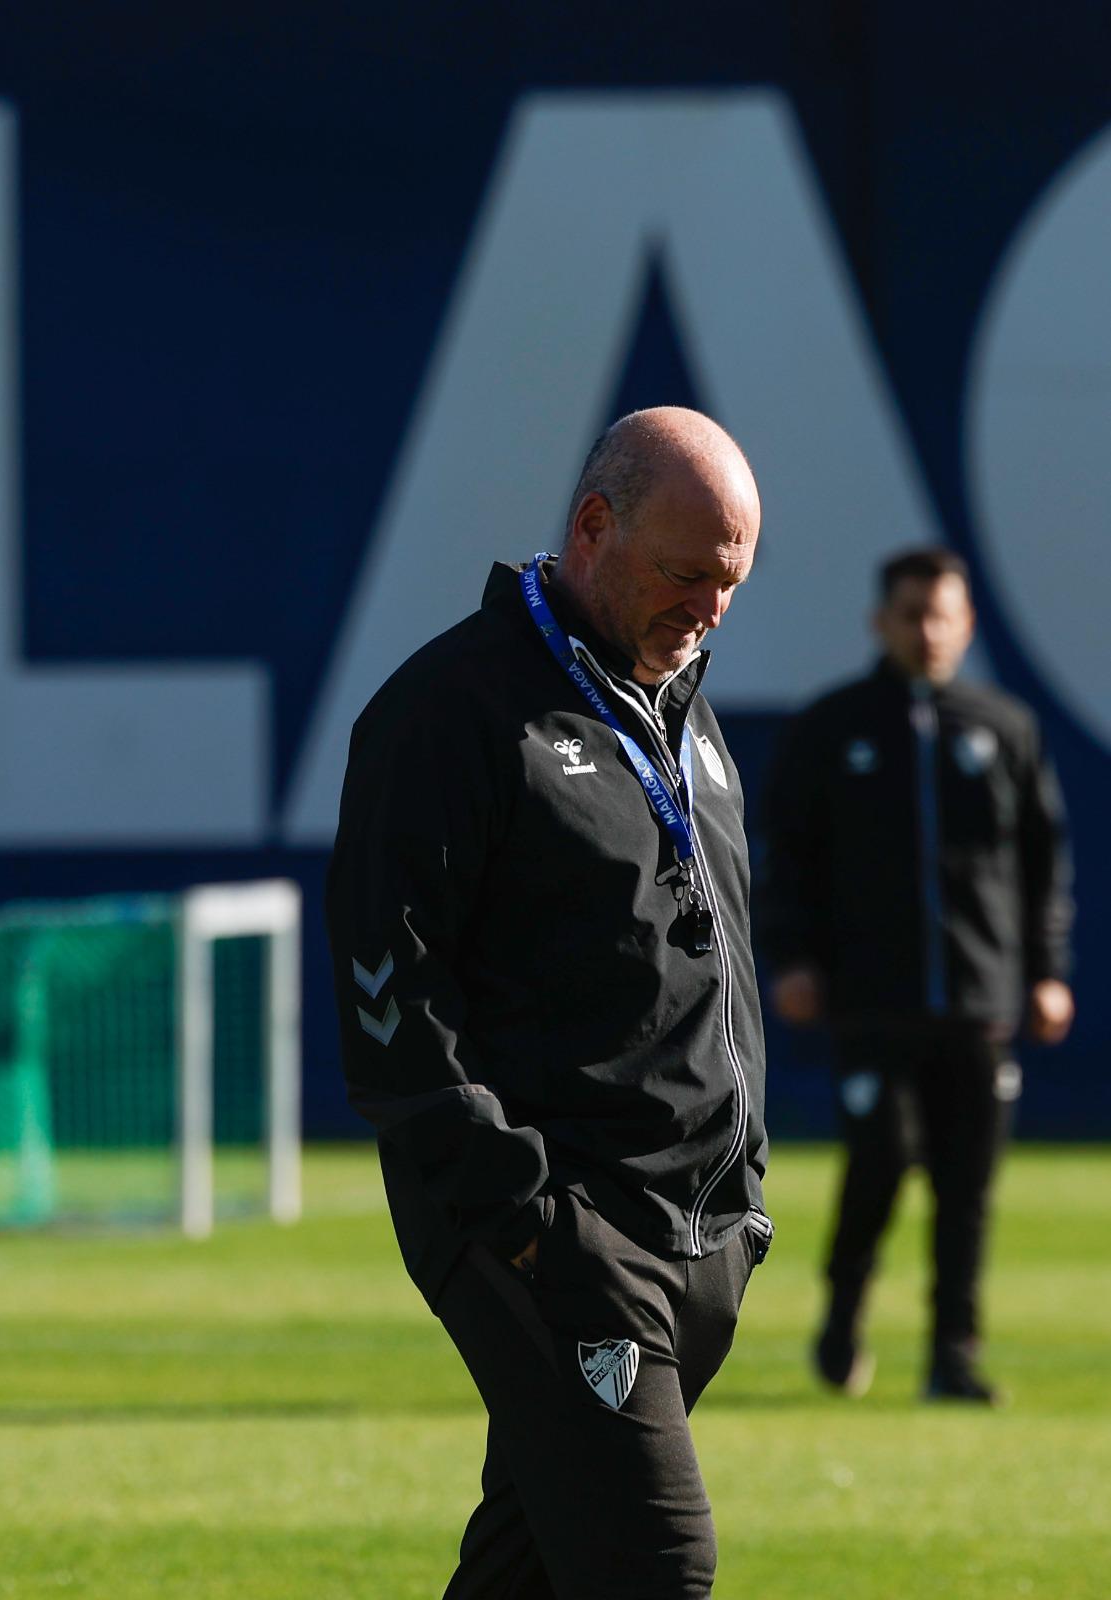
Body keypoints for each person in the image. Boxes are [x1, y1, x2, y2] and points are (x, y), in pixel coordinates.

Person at [326, 407, 773, 1599]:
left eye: (731, 582)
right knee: (653, 1565)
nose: (710, 611)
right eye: (687, 575)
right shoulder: (450, 710)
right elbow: (387, 995)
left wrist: (745, 1191)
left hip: (699, 1231)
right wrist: (521, 1213)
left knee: (527, 1571)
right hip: (562, 1234)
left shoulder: (681, 708)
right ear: (592, 526)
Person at [757, 546, 1074, 1404]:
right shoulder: (834, 726)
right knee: (880, 1161)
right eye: (911, 614)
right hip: (872, 997)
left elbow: (1042, 864)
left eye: (943, 615)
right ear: (880, 621)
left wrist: (1045, 970)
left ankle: (952, 1353)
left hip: (977, 998)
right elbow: (786, 854)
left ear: (967, 622)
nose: (928, 631)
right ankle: (843, 1316)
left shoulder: (1002, 727)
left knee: (967, 1185)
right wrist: (791, 958)